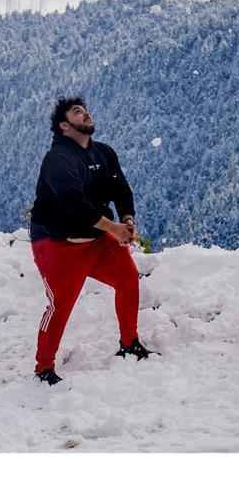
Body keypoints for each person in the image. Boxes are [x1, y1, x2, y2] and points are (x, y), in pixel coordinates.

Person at [28, 96, 155, 385]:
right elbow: (74, 203)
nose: (85, 114)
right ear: (64, 126)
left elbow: (120, 187)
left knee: (128, 279)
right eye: (77, 112)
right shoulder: (58, 159)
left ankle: (129, 343)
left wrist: (127, 219)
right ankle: (43, 367)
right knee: (60, 304)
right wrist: (113, 228)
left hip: (96, 241)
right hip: (58, 243)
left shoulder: (104, 153)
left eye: (85, 111)